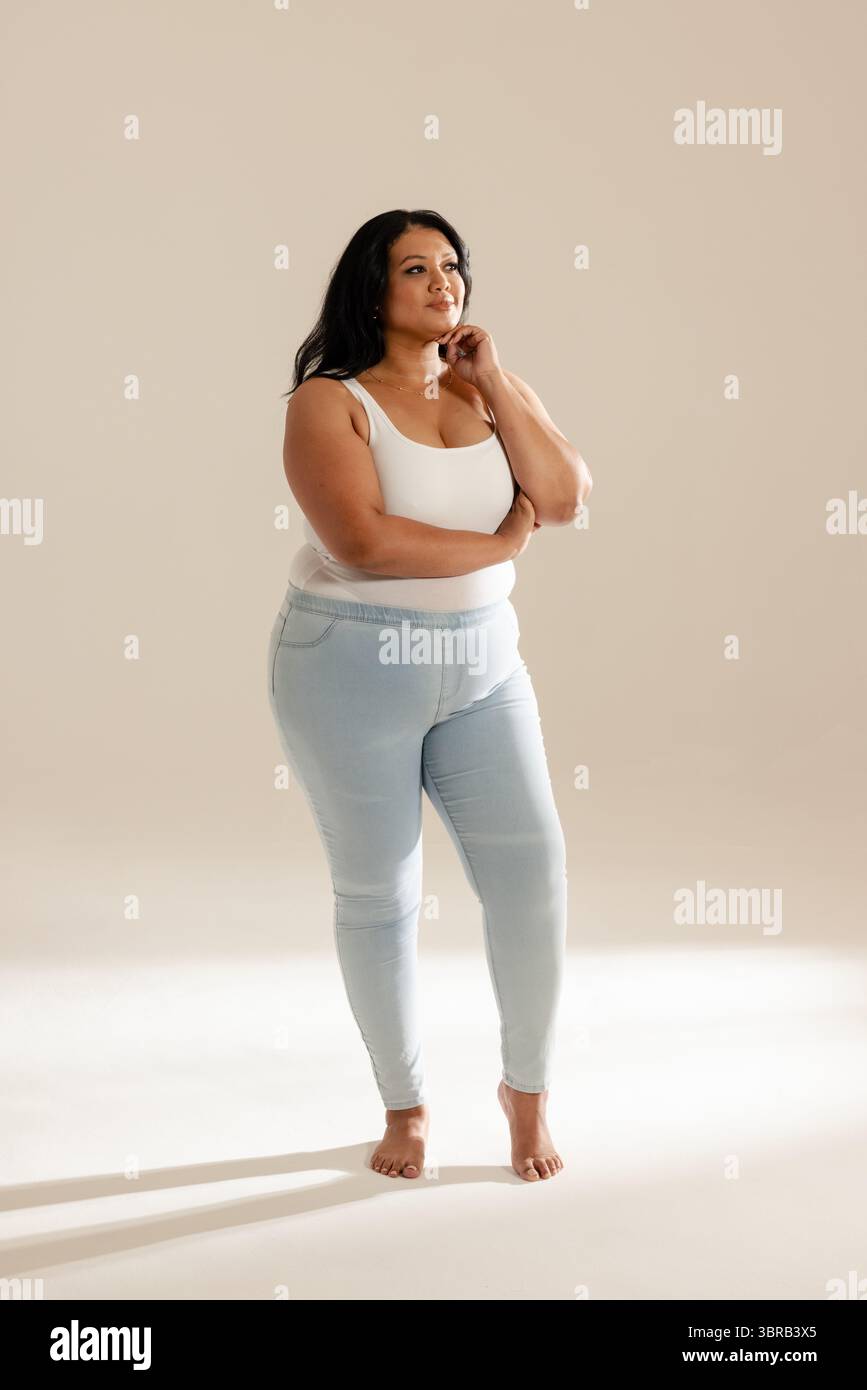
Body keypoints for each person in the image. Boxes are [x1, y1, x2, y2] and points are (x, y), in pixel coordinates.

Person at [266, 208, 592, 1181]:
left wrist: (493, 378)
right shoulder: (328, 401)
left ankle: (525, 1094)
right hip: (348, 667)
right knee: (381, 895)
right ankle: (404, 1105)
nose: (441, 280)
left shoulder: (490, 390)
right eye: (415, 268)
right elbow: (362, 542)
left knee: (534, 875)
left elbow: (565, 496)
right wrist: (501, 545)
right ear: (372, 291)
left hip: (484, 665)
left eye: (450, 265)